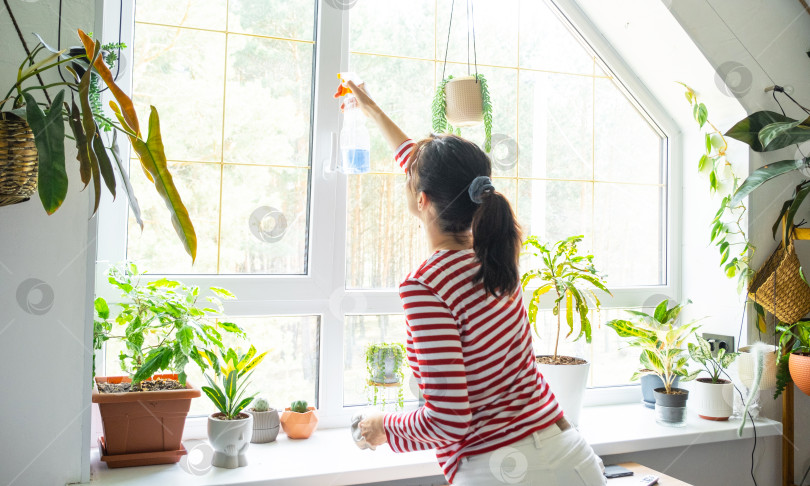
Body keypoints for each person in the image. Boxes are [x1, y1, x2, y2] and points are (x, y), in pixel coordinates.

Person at [339, 79, 606, 486]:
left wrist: (383, 428)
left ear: (422, 199)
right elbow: (427, 170)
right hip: (573, 458)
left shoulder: (426, 285)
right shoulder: (496, 252)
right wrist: (371, 109)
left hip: (507, 472)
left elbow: (450, 422)